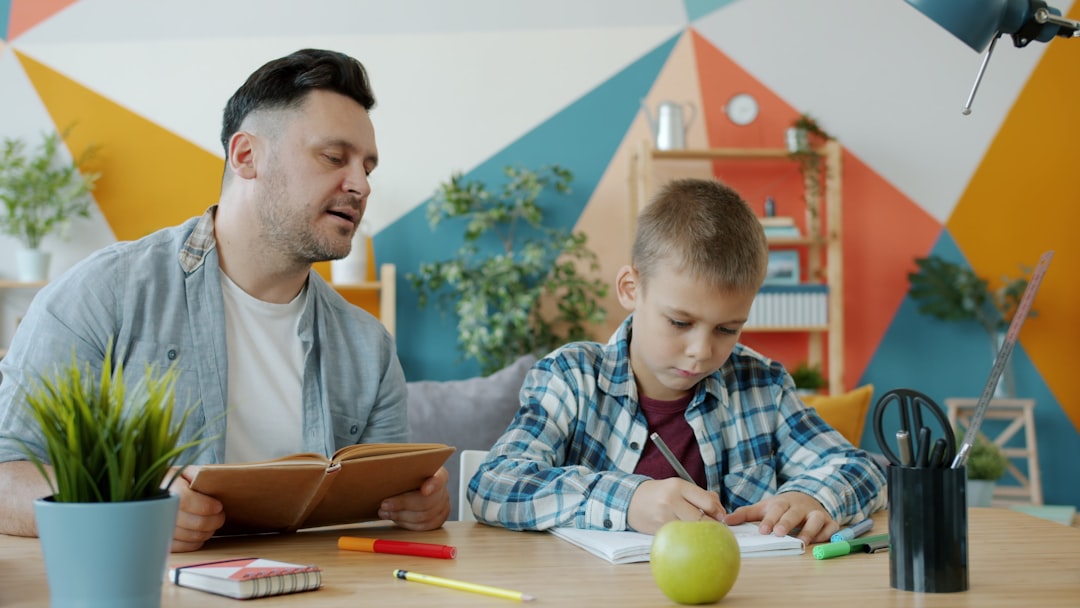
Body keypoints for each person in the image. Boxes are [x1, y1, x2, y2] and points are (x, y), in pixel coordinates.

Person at [0, 48, 450, 551]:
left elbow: (388, 499)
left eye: (368, 166)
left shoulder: (369, 344)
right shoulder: (103, 293)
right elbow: (5, 477)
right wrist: (126, 506)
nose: (361, 185)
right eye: (333, 157)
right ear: (245, 156)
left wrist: (416, 505)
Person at [467, 178, 886, 545]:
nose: (702, 351)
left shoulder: (762, 385)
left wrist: (812, 496)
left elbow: (860, 468)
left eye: (727, 329)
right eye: (680, 322)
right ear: (632, 289)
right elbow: (494, 484)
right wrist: (627, 499)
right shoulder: (570, 378)